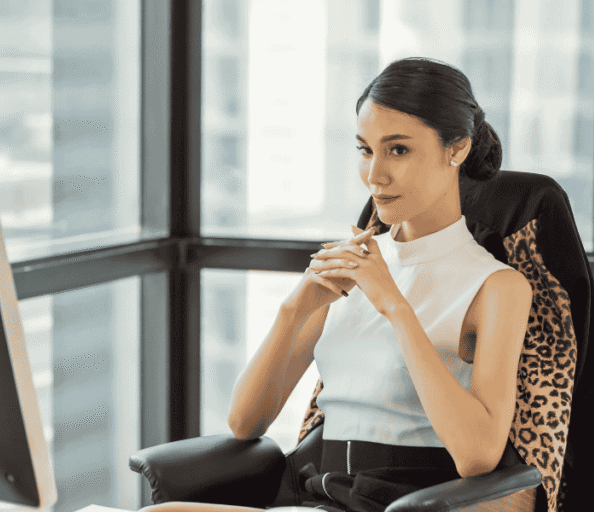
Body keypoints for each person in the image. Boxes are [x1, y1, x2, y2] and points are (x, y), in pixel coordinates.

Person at [226, 57, 534, 512]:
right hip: (319, 494)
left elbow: (478, 456)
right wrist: (294, 309)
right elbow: (244, 423)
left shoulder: (496, 287)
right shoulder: (352, 264)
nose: (374, 175)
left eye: (398, 150)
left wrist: (395, 305)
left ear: (457, 149)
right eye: (365, 150)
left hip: (402, 503)